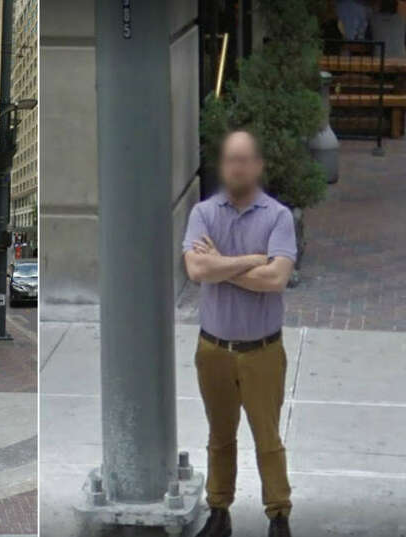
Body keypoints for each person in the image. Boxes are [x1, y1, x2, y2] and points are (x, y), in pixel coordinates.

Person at [183, 130, 296, 537]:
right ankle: (219, 512)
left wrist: (221, 265)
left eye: (245, 159)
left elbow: (276, 279)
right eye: (231, 159)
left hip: (262, 351)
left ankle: (278, 515)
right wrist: (251, 260)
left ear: (258, 166)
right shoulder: (203, 214)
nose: (237, 167)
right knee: (220, 436)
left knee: (267, 438)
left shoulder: (278, 217)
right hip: (213, 349)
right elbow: (197, 270)